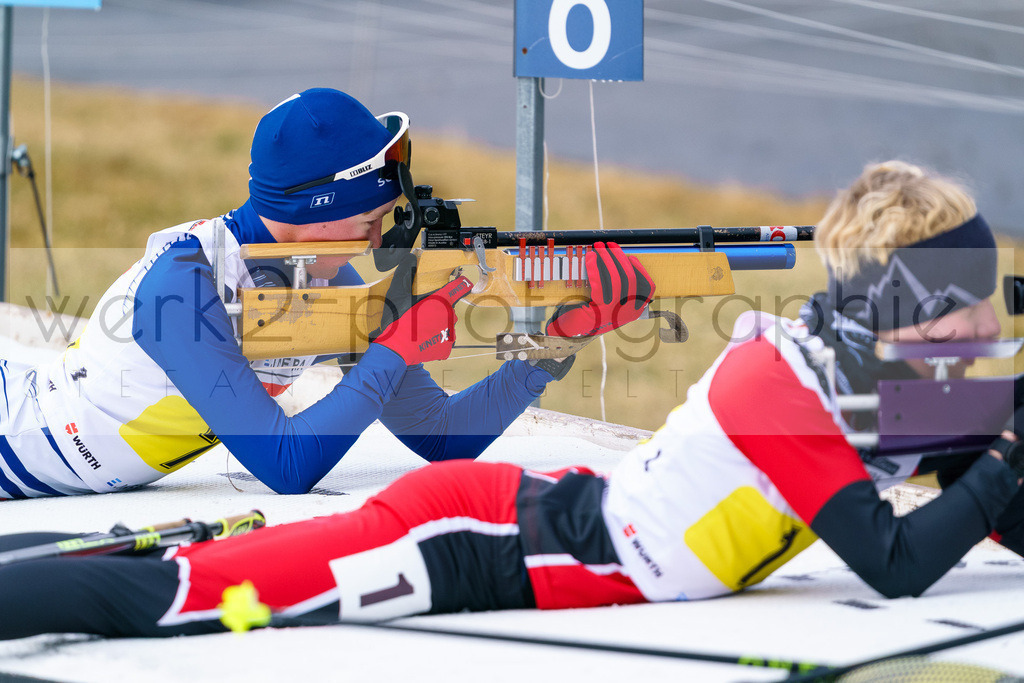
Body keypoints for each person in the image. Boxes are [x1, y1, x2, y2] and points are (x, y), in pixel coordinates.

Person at [2, 160, 1020, 641]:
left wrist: (553, 341)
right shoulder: (784, 382)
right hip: (464, 543)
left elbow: (972, 483)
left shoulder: (854, 386)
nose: (978, 325)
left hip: (516, 516)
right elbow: (893, 564)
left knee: (174, 582)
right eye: (958, 304)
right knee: (176, 597)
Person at [0, 87, 654, 499]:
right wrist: (394, 348)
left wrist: (546, 351)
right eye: (371, 214)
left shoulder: (331, 278)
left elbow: (442, 437)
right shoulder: (184, 283)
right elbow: (286, 466)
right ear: (320, 206)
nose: (386, 221)